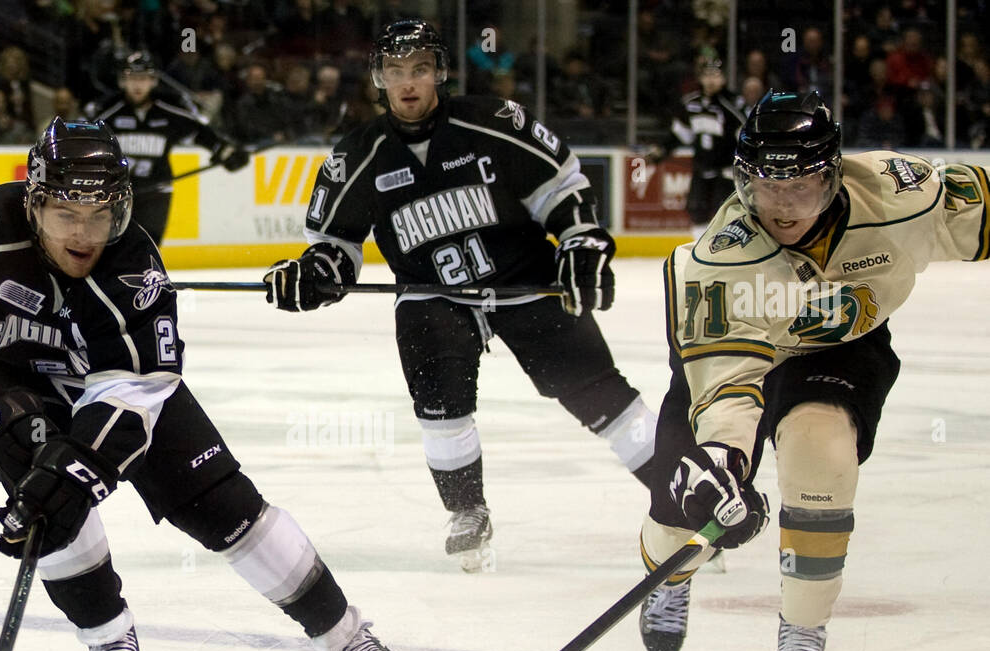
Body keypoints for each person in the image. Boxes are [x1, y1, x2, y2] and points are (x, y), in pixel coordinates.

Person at [0, 119, 397, 651]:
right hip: (18, 388)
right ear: (34, 206)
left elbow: (138, 385)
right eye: (68, 215)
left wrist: (83, 462)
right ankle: (106, 636)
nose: (86, 234)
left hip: (118, 389)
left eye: (100, 215)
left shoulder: (133, 258)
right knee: (44, 502)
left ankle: (343, 634)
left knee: (224, 506)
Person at [635, 90, 990, 651]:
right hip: (741, 355)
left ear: (832, 175)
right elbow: (728, 381)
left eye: (799, 186)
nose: (780, 205)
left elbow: (980, 213)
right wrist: (723, 460)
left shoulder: (900, 196)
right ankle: (674, 574)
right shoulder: (724, 257)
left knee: (822, 458)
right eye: (764, 186)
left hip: (841, 349)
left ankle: (803, 627)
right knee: (683, 509)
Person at [263, 19, 657, 571]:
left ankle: (678, 489)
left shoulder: (492, 122)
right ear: (379, 78)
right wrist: (312, 276)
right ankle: (467, 509)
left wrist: (581, 239)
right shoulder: (358, 155)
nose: (408, 83)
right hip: (433, 294)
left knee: (601, 395)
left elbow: (561, 187)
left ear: (439, 73)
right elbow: (335, 246)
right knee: (441, 406)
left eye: (419, 69)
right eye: (396, 71)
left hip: (524, 280)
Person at [83, 50, 249, 243]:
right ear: (122, 80)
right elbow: (83, 140)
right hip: (116, 192)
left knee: (149, 244)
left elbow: (199, 133)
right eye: (132, 78)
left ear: (153, 81)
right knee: (113, 245)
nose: (138, 84)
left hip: (157, 190)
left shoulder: (170, 109)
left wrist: (225, 151)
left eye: (143, 78)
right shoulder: (106, 111)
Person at [646, 59, 746, 239]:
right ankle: (700, 251)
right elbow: (679, 135)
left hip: (726, 171)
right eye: (707, 75)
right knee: (696, 210)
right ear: (700, 78)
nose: (711, 80)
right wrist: (661, 150)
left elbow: (745, 137)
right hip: (701, 167)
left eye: (715, 75)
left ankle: (724, 252)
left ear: (723, 79)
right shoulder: (691, 104)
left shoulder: (733, 104)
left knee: (723, 212)